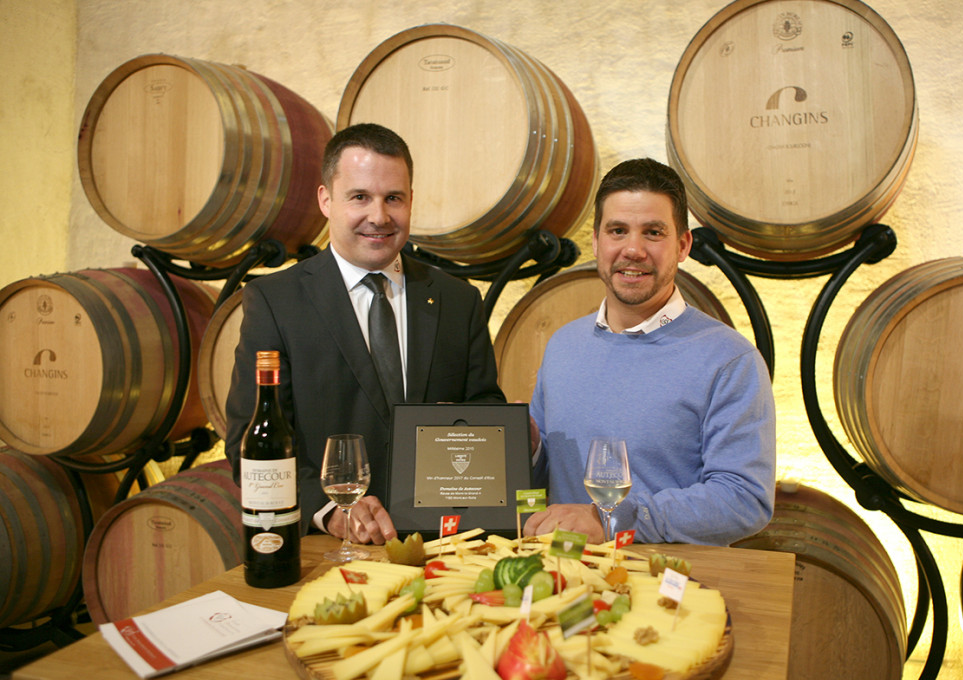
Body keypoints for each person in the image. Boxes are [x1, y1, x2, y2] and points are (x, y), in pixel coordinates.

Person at [225, 123, 505, 544]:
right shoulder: (274, 301)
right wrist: (331, 512)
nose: (379, 216)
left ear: (411, 200)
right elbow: (250, 444)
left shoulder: (458, 300)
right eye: (360, 197)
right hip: (329, 550)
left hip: (444, 545)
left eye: (394, 198)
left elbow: (483, 411)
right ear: (326, 199)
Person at [523, 158, 775, 546]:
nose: (633, 249)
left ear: (683, 245)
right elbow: (548, 483)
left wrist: (610, 520)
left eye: (653, 232)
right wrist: (530, 449)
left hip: (669, 589)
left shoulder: (729, 361)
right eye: (618, 231)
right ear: (595, 241)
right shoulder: (563, 346)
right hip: (564, 582)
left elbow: (744, 500)